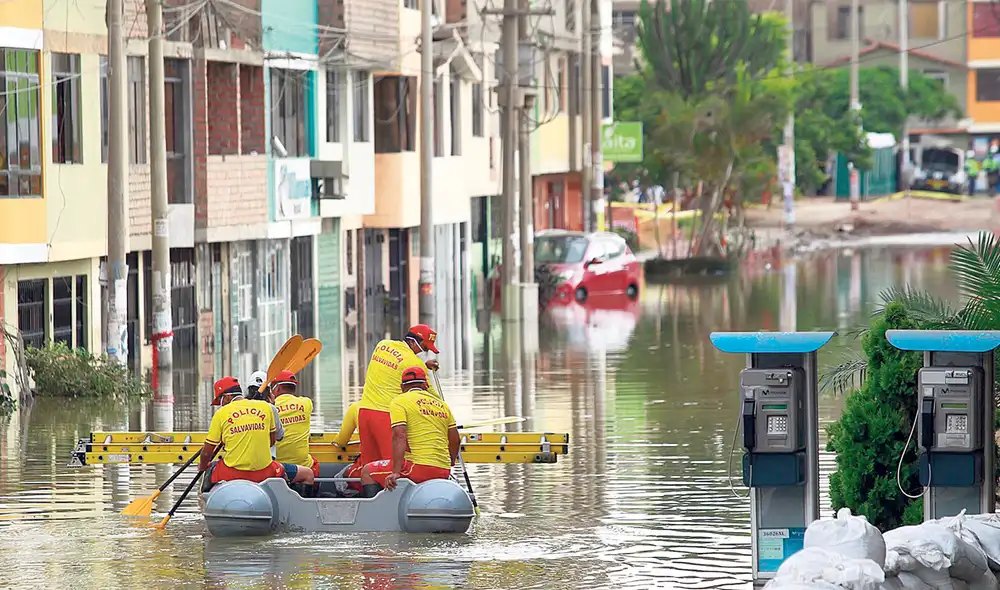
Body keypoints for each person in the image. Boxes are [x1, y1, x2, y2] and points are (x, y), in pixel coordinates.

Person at [359, 366, 460, 498]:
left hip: (418, 468)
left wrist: (395, 472)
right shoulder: (442, 405)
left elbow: (399, 435)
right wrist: (450, 462)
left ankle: (374, 513)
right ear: (425, 385)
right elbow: (455, 440)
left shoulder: (399, 402)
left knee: (367, 471)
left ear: (402, 387)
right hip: (443, 470)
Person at [199, 376, 315, 487]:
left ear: (228, 397)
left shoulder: (221, 414)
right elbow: (271, 442)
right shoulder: (266, 407)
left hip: (233, 473)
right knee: (308, 473)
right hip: (265, 471)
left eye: (220, 400)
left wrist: (203, 466)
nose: (220, 404)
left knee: (211, 468)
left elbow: (206, 453)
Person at [356, 324, 443, 467]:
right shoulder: (414, 363)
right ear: (413, 342)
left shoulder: (382, 345)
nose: (424, 351)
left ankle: (369, 490)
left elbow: (397, 364)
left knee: (369, 466)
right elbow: (431, 396)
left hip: (364, 413)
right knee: (393, 465)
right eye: (425, 347)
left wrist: (422, 365)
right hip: (387, 417)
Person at [270, 370, 321, 480]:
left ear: (277, 388)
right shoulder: (306, 403)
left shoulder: (268, 408)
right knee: (314, 463)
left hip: (276, 465)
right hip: (303, 464)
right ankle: (309, 495)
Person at [244, 370, 284, 459]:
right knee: (307, 473)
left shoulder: (238, 408)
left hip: (243, 459)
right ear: (268, 392)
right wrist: (274, 406)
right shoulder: (270, 408)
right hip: (268, 461)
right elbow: (280, 436)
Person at [332, 399, 364, 491]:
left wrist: (336, 441)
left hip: (367, 466)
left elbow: (341, 441)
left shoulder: (356, 407)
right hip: (398, 465)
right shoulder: (397, 405)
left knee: (340, 477)